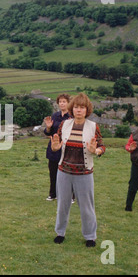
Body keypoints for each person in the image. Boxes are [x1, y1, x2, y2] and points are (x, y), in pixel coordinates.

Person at [50, 93, 105, 248]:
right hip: (64, 171)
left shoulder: (93, 126)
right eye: (76, 107)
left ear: (86, 110)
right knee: (62, 205)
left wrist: (96, 151)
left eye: (82, 107)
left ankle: (90, 236)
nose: (79, 110)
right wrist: (55, 147)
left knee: (87, 206)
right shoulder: (64, 124)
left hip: (84, 173)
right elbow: (57, 143)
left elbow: (102, 146)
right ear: (71, 109)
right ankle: (60, 233)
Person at [43, 94, 71, 201]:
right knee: (53, 172)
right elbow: (47, 133)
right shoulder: (54, 116)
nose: (62, 104)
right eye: (60, 102)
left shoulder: (71, 117)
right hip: (53, 148)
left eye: (64, 101)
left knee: (67, 174)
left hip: (66, 149)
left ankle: (70, 195)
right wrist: (49, 128)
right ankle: (52, 194)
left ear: (68, 103)